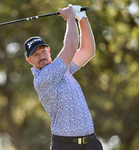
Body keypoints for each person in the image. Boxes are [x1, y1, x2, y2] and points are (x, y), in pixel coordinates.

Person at [24, 4, 103, 150]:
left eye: (42, 52)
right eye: (35, 55)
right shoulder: (43, 78)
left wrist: (82, 18)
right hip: (66, 146)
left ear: (48, 51)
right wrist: (70, 17)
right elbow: (71, 47)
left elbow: (87, 51)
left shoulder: (62, 69)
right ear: (30, 60)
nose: (41, 57)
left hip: (91, 144)